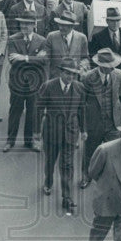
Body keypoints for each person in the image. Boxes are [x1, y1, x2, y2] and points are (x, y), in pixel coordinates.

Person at [37, 58, 86, 214]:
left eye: (73, 74)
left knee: (67, 165)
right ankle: (48, 181)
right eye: (67, 73)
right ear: (60, 72)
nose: (70, 77)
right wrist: (36, 132)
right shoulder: (48, 86)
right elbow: (38, 109)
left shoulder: (80, 88)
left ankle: (67, 197)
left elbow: (82, 110)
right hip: (51, 133)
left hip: (71, 133)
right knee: (50, 161)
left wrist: (84, 130)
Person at [79, 48, 121, 189]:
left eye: (112, 67)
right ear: (99, 65)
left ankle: (112, 178)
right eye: (106, 67)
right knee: (90, 152)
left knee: (115, 152)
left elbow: (119, 95)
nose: (110, 69)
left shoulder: (119, 74)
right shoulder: (87, 78)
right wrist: (84, 127)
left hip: (113, 122)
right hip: (94, 122)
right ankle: (86, 175)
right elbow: (82, 103)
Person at [3, 11, 48, 152]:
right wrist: (34, 58)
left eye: (27, 23)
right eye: (22, 23)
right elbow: (12, 60)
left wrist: (25, 58)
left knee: (33, 112)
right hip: (17, 83)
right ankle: (10, 141)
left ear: (34, 25)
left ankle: (30, 142)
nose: (24, 26)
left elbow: (44, 61)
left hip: (35, 84)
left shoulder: (42, 40)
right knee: (15, 111)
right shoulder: (12, 39)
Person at [89, 7, 121, 79]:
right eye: (112, 21)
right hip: (106, 73)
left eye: (118, 20)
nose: (115, 23)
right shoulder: (98, 37)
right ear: (107, 21)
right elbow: (93, 56)